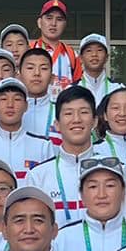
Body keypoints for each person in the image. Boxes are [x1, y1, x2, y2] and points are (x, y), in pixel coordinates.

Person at [23, 85, 99, 225]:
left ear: (95, 121)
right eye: (68, 113)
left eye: (83, 112)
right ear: (57, 124)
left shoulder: (114, 171)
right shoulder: (38, 176)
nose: (76, 119)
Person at [60, 158, 126, 251]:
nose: (102, 195)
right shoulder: (61, 239)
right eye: (93, 186)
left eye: (110, 185)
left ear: (123, 192)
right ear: (81, 195)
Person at [0, 78, 52, 181]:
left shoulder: (43, 145)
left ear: (26, 106)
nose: (10, 105)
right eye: (3, 99)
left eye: (17, 99)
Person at [30, 0, 82, 93]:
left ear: (65, 25)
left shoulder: (72, 54)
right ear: (39, 22)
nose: (53, 23)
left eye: (59, 19)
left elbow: (79, 86)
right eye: (49, 18)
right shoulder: (29, 50)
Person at [78, 35, 118, 102]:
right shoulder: (71, 89)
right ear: (81, 58)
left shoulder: (117, 89)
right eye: (89, 50)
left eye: (99, 50)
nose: (94, 54)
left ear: (106, 57)